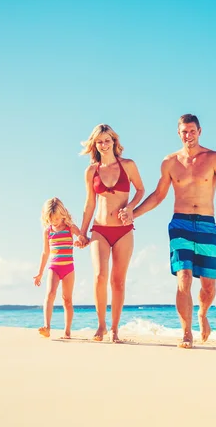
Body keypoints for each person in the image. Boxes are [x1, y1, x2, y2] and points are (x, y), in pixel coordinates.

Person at [131, 114, 216, 348]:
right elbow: (158, 195)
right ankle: (186, 333)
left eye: (192, 131)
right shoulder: (170, 162)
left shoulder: (214, 158)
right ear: (178, 133)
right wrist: (133, 214)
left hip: (207, 223)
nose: (189, 135)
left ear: (200, 131)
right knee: (183, 277)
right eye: (184, 131)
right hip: (180, 223)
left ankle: (203, 314)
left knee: (208, 285)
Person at [79, 124, 145, 342]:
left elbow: (141, 190)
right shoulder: (91, 171)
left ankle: (115, 329)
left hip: (123, 231)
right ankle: (101, 326)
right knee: (99, 277)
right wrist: (82, 232)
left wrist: (131, 209)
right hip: (99, 228)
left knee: (118, 281)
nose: (104, 145)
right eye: (99, 141)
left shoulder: (128, 165)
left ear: (114, 142)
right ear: (94, 145)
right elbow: (90, 203)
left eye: (107, 140)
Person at [33, 197, 83, 339]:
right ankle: (47, 327)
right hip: (53, 268)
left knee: (67, 299)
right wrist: (40, 273)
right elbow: (45, 252)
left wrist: (80, 240)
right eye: (50, 219)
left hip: (68, 269)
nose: (53, 222)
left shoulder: (70, 228)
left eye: (55, 218)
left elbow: (80, 236)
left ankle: (67, 332)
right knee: (50, 294)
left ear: (62, 214)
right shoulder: (47, 231)